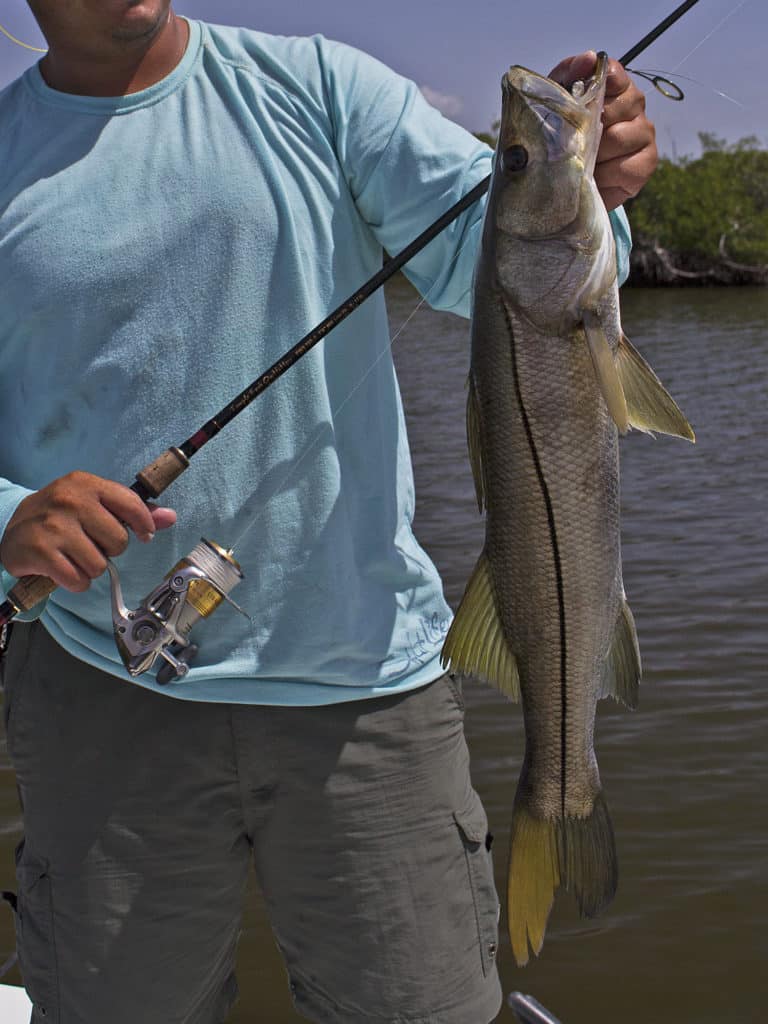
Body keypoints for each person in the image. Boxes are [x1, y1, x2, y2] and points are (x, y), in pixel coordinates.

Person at [0, 3, 657, 1021]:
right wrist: (7, 516)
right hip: (100, 687)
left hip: (367, 693)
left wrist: (592, 185)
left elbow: (487, 259)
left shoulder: (322, 88)